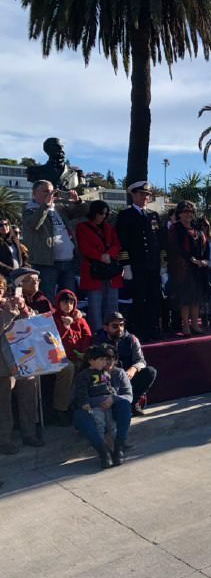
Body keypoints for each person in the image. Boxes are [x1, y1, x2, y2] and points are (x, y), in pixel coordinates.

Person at [22, 179, 86, 302]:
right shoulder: (29, 209)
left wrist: (78, 201)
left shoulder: (59, 207)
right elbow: (34, 224)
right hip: (47, 264)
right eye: (46, 191)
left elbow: (82, 212)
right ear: (34, 193)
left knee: (69, 299)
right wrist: (45, 206)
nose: (50, 194)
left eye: (52, 191)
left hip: (68, 261)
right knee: (47, 298)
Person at [115, 181, 164, 341]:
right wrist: (126, 264)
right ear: (133, 195)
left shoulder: (153, 215)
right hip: (136, 264)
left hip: (153, 264)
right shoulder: (125, 215)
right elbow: (122, 241)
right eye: (142, 194)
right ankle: (140, 330)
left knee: (154, 297)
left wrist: (163, 261)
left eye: (147, 195)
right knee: (139, 298)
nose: (145, 197)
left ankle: (154, 328)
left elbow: (159, 240)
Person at [71, 344, 132, 468]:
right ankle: (103, 450)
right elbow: (80, 394)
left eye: (110, 358)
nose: (107, 362)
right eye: (103, 359)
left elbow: (125, 395)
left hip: (110, 407)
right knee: (98, 424)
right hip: (93, 408)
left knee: (112, 424)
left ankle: (119, 446)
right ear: (91, 360)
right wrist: (87, 403)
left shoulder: (114, 373)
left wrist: (112, 398)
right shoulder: (84, 375)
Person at [0, 274, 40, 454]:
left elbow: (33, 322)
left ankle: (29, 433)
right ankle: (4, 440)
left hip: (22, 358)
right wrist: (9, 313)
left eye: (1, 288)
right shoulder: (7, 310)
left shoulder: (9, 304)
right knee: (3, 403)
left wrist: (23, 307)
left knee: (28, 397)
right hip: (2, 365)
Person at [94, 312, 157, 416]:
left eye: (122, 325)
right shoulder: (99, 341)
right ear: (105, 327)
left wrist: (133, 369)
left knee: (150, 372)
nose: (120, 328)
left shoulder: (132, 339)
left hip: (128, 376)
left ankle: (133, 403)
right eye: (115, 326)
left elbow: (141, 361)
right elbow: (94, 364)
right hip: (108, 377)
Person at [76, 200, 123, 331]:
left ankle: (113, 333)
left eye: (105, 214)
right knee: (95, 307)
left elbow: (117, 244)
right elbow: (84, 247)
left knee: (112, 307)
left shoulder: (109, 228)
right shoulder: (82, 227)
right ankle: (97, 334)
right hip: (93, 271)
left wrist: (109, 254)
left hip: (110, 273)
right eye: (101, 213)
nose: (103, 216)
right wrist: (100, 256)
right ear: (93, 213)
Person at [166, 201, 209, 336]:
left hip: (198, 269)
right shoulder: (174, 228)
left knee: (196, 299)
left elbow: (205, 247)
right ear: (179, 214)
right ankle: (185, 325)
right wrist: (191, 259)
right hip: (182, 270)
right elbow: (174, 248)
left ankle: (195, 324)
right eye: (185, 212)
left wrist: (205, 261)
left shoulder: (197, 228)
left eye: (191, 212)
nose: (188, 214)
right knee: (185, 299)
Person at [51, 289, 92, 426]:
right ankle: (61, 409)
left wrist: (83, 352)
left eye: (71, 302)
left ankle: (83, 404)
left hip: (78, 355)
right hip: (58, 356)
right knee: (68, 369)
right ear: (58, 303)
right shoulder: (54, 318)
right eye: (64, 302)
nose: (68, 305)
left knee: (90, 365)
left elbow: (87, 336)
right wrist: (66, 326)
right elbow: (53, 340)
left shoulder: (79, 318)